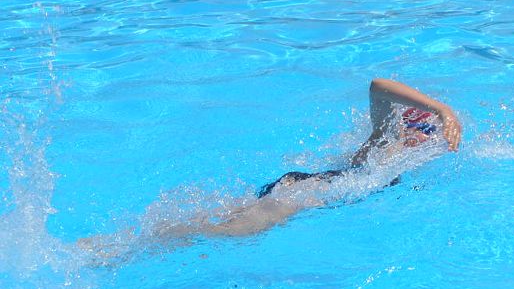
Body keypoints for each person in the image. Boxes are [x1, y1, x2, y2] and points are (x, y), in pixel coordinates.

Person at [155, 78, 462, 238]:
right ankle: (153, 243)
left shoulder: (398, 158)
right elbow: (379, 86)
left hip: (296, 187)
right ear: (406, 125)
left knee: (213, 221)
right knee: (226, 234)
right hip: (301, 194)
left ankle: (157, 235)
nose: (426, 138)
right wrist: (442, 110)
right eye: (425, 129)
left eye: (431, 133)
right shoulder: (388, 140)